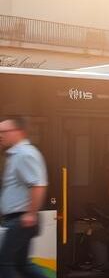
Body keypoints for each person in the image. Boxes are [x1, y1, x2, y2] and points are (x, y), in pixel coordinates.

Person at [0, 116, 49, 278]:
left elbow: (38, 185)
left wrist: (30, 214)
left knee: (4, 265)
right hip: (17, 219)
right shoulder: (16, 155)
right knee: (22, 265)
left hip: (20, 219)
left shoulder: (25, 154)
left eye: (4, 131)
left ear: (19, 132)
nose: (0, 135)